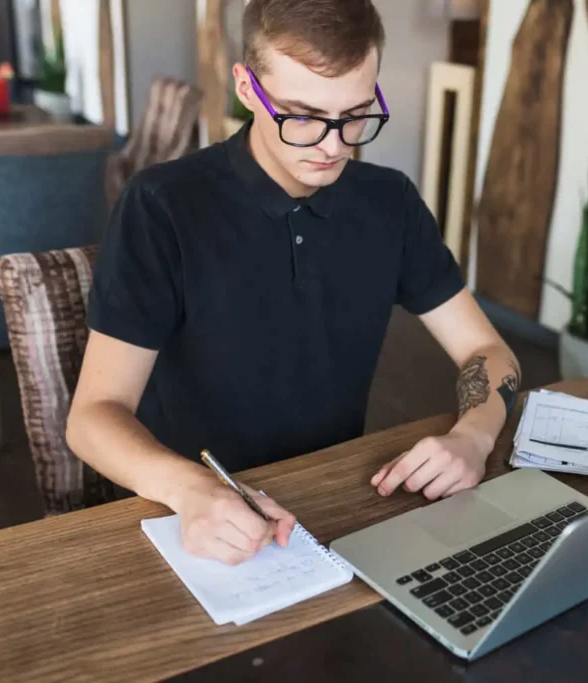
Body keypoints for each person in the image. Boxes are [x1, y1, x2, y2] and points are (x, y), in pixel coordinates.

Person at [65, 0, 521, 566]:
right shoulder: (163, 206)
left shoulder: (389, 201)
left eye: (356, 114)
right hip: (196, 512)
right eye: (303, 115)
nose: (335, 146)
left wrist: (474, 436)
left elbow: (487, 350)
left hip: (337, 497)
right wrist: (190, 490)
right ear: (247, 88)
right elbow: (92, 417)